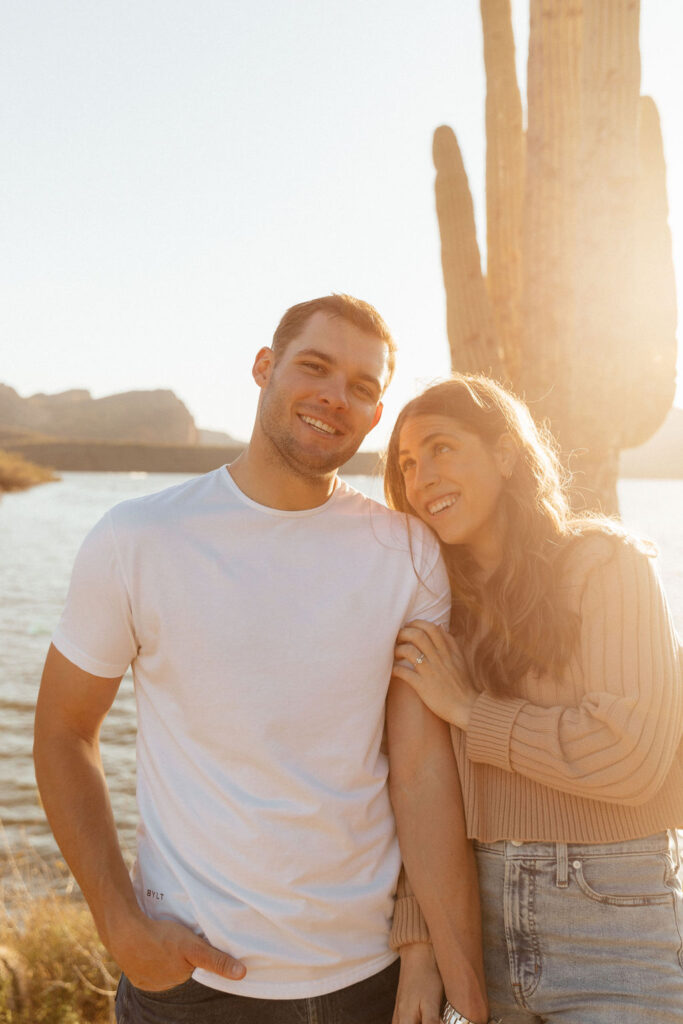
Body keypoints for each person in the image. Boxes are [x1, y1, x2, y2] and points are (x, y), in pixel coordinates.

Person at [33, 295, 486, 1024]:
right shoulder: (139, 538)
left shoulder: (406, 553)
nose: (335, 396)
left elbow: (423, 775)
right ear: (264, 368)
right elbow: (62, 730)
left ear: (375, 415)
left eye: (362, 387)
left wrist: (438, 962)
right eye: (315, 366)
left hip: (370, 981)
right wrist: (121, 925)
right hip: (192, 986)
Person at [383, 374, 683, 1024]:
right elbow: (417, 789)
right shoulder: (433, 605)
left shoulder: (606, 566)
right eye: (407, 463)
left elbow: (630, 755)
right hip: (473, 924)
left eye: (440, 448)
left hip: (610, 922)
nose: (420, 476)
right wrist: (418, 943)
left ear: (506, 454)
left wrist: (470, 711)